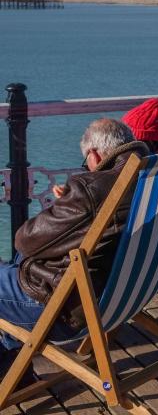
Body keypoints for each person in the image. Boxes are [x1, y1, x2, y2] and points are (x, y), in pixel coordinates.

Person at [1, 119, 149, 378]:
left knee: (17, 260)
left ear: (94, 153)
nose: (88, 169)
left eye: (86, 162)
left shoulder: (91, 188)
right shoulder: (154, 176)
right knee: (18, 264)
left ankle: (13, 370)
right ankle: (11, 361)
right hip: (125, 298)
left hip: (66, 312)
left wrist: (61, 207)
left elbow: (24, 239)